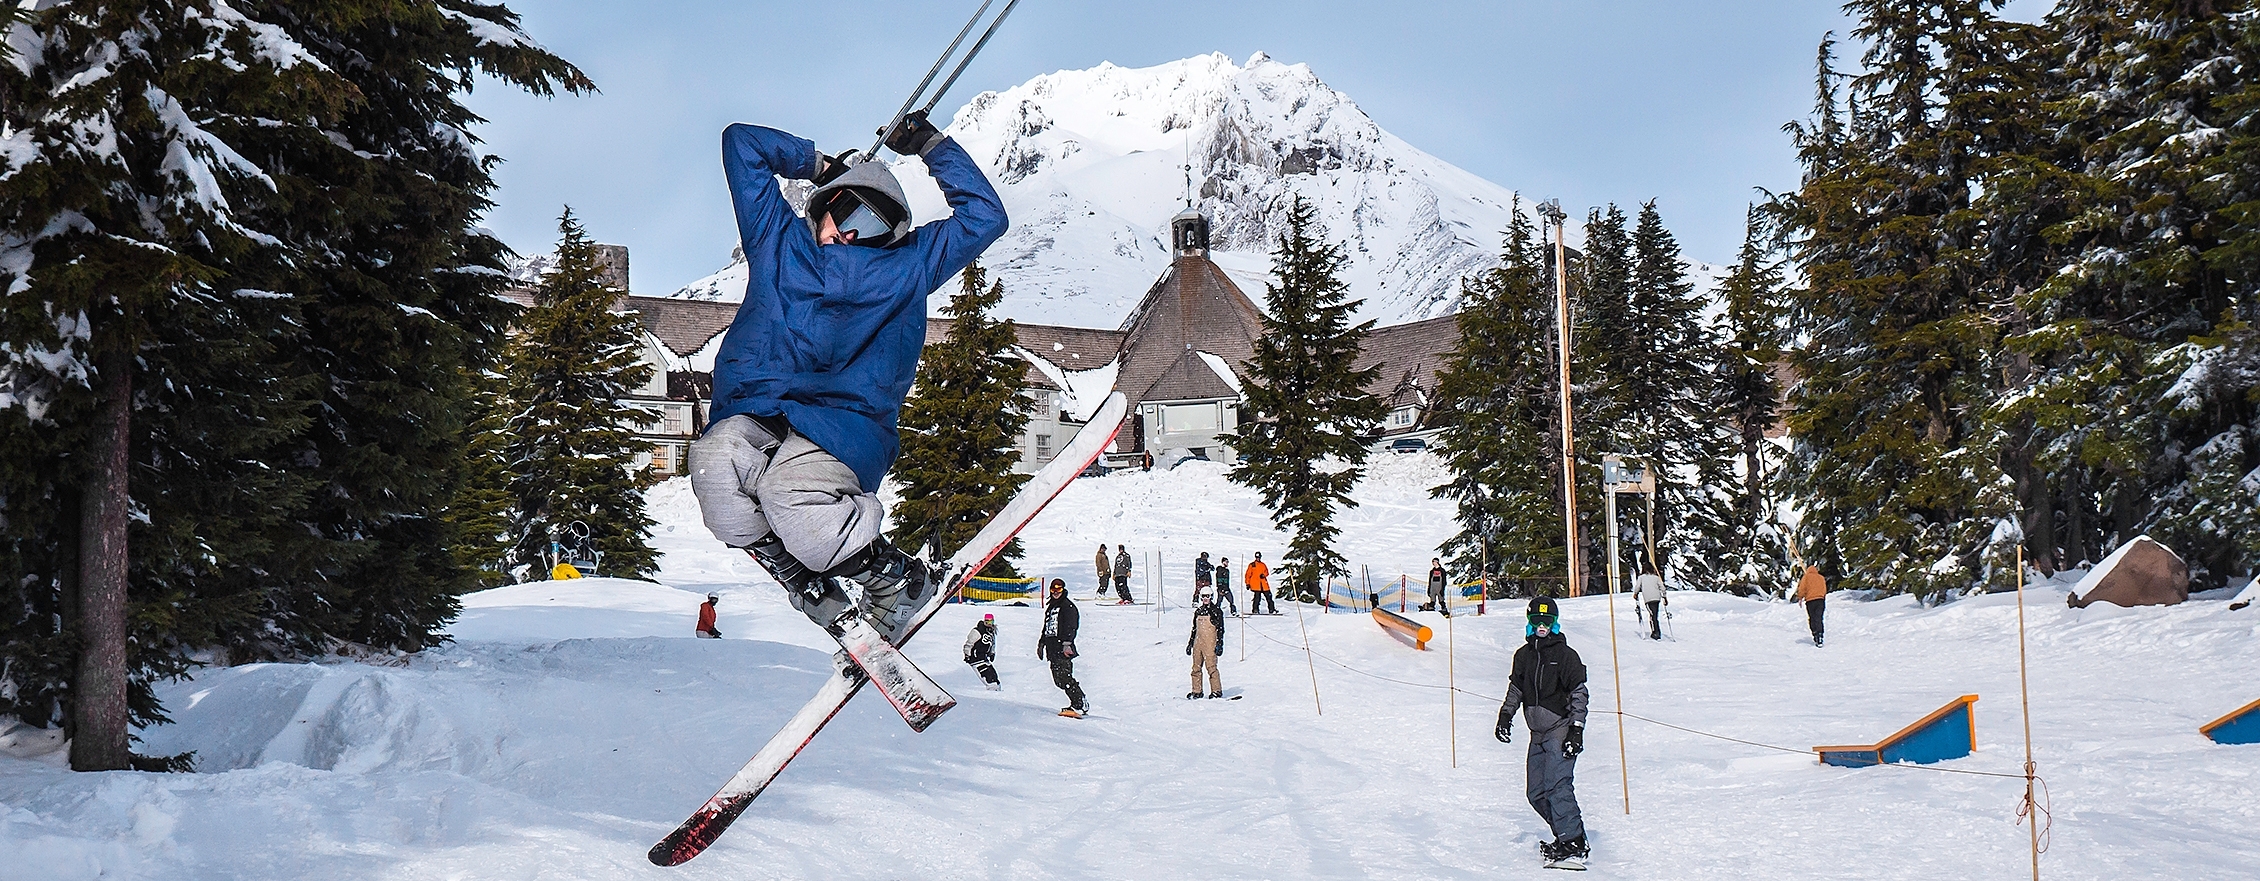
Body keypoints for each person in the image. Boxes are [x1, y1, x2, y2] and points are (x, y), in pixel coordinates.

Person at [686, 111, 1005, 647]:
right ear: (824, 205)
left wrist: (931, 146)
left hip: (841, 424)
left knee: (792, 494)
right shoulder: (778, 240)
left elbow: (984, 217)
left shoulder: (911, 266)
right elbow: (741, 144)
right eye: (847, 210)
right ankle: (805, 581)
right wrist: (818, 163)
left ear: (894, 235)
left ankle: (894, 578)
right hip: (760, 409)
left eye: (874, 225)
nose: (853, 231)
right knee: (716, 469)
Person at [1495, 596, 1591, 869]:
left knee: (1558, 787)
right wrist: (1505, 716)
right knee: (1536, 793)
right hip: (1536, 734)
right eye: (1536, 620)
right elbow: (1516, 689)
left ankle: (1572, 842)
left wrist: (1576, 730)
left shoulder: (1565, 656)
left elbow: (1579, 694)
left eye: (1546, 621)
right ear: (1529, 622)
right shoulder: (1523, 656)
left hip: (1560, 729)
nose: (1541, 626)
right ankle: (1566, 835)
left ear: (1555, 623)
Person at [1039, 579, 1087, 715]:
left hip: (1063, 647)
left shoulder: (1067, 606)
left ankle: (1079, 703)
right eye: (1053, 590)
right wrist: (1041, 643)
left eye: (1058, 590)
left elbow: (1071, 626)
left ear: (1063, 590)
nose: (1055, 592)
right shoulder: (1051, 607)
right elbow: (1047, 627)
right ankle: (1079, 701)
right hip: (1052, 648)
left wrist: (1067, 643)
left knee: (1064, 677)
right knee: (1058, 680)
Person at [1187, 593, 1225, 699]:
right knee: (1196, 667)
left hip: (1210, 643)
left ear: (1211, 597)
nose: (1205, 598)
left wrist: (1219, 643)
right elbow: (1194, 629)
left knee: (1211, 667)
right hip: (1198, 643)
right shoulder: (1198, 611)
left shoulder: (1216, 611)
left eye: (1207, 596)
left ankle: (1216, 690)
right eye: (1203, 596)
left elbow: (1220, 629)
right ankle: (1196, 690)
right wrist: (1190, 643)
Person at [1794, 564, 1828, 647]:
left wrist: (1800, 597)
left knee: (1812, 617)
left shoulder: (1806, 577)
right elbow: (1824, 589)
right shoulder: (1821, 578)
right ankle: (1820, 635)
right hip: (1820, 600)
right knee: (1819, 618)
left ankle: (1815, 633)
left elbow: (1802, 588)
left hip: (1810, 601)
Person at [963, 613, 1000, 690]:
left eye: (991, 622)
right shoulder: (978, 631)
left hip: (983, 657)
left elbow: (992, 643)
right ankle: (992, 688)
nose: (989, 624)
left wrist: (992, 653)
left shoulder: (991, 631)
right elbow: (969, 643)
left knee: (993, 675)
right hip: (975, 658)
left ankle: (996, 688)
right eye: (987, 622)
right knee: (987, 675)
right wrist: (967, 655)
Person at [1634, 564, 1666, 641]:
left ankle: (1656, 632)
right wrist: (1664, 596)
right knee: (1655, 614)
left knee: (1652, 615)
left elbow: (1638, 586)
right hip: (1657, 598)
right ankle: (1657, 631)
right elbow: (1662, 588)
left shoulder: (1641, 578)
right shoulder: (1656, 577)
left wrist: (1635, 593)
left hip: (1648, 599)